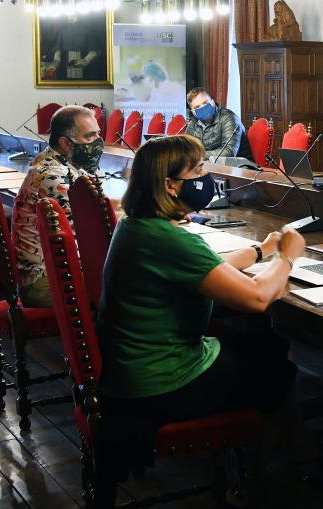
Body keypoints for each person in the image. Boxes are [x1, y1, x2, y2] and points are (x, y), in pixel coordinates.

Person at [94, 135, 303, 506]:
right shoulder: (170, 240)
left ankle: (267, 463)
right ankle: (265, 479)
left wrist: (260, 251)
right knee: (275, 365)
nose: (205, 177)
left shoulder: (137, 225)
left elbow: (210, 270)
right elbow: (257, 298)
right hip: (162, 382)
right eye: (198, 170)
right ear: (170, 185)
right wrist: (286, 257)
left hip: (134, 370)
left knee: (265, 347)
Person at [13, 105, 103, 307]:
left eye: (98, 134)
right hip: (43, 281)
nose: (98, 142)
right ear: (65, 143)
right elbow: (99, 225)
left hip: (58, 268)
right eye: (89, 137)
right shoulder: (52, 176)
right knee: (130, 287)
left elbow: (101, 205)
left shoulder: (61, 162)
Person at [185, 87, 253, 161]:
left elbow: (229, 152)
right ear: (193, 112)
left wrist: (197, 155)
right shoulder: (193, 122)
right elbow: (185, 148)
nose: (203, 108)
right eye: (197, 107)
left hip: (239, 166)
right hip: (208, 164)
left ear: (213, 102)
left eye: (205, 103)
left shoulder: (229, 117)